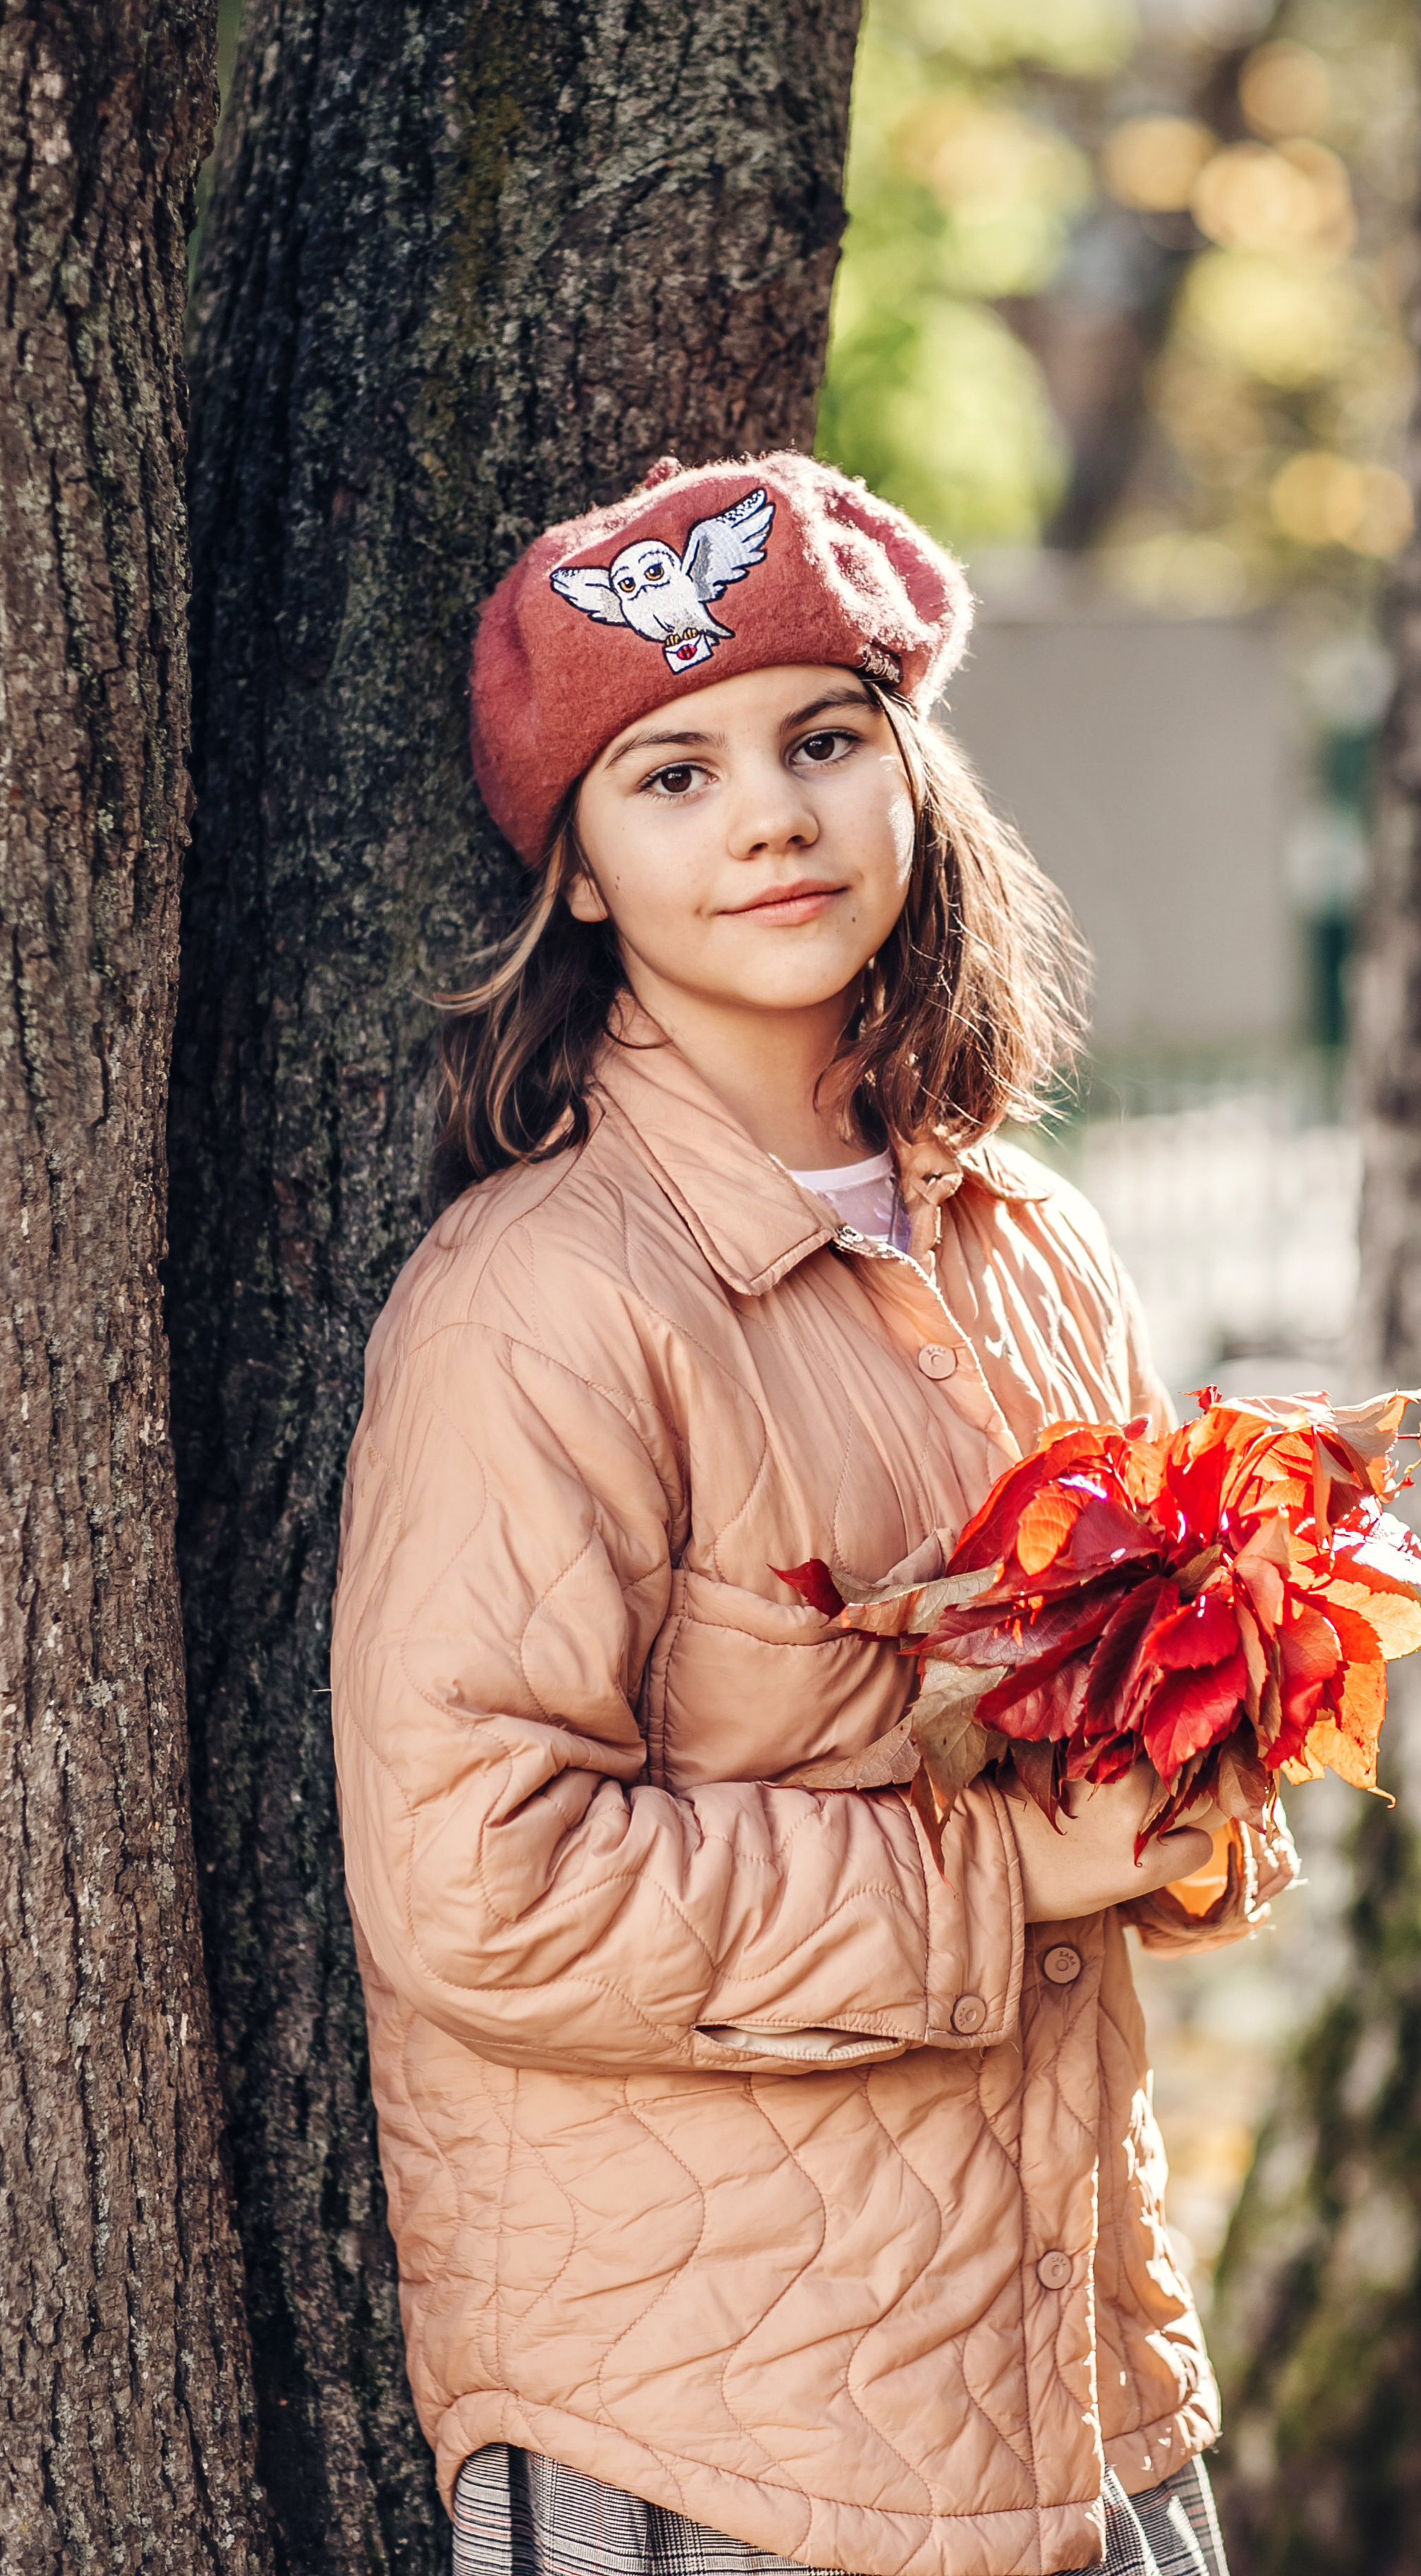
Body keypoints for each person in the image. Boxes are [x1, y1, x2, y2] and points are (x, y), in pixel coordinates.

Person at [331, 452, 1296, 2576]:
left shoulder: (1028, 1237)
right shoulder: (544, 1301)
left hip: (1077, 2385)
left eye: (823, 739)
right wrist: (1008, 1868)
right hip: (717, 2434)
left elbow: (1110, 1784)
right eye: (666, 775)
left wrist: (1207, 1779)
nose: (771, 813)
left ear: (909, 779)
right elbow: (481, 1880)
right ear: (574, 875)